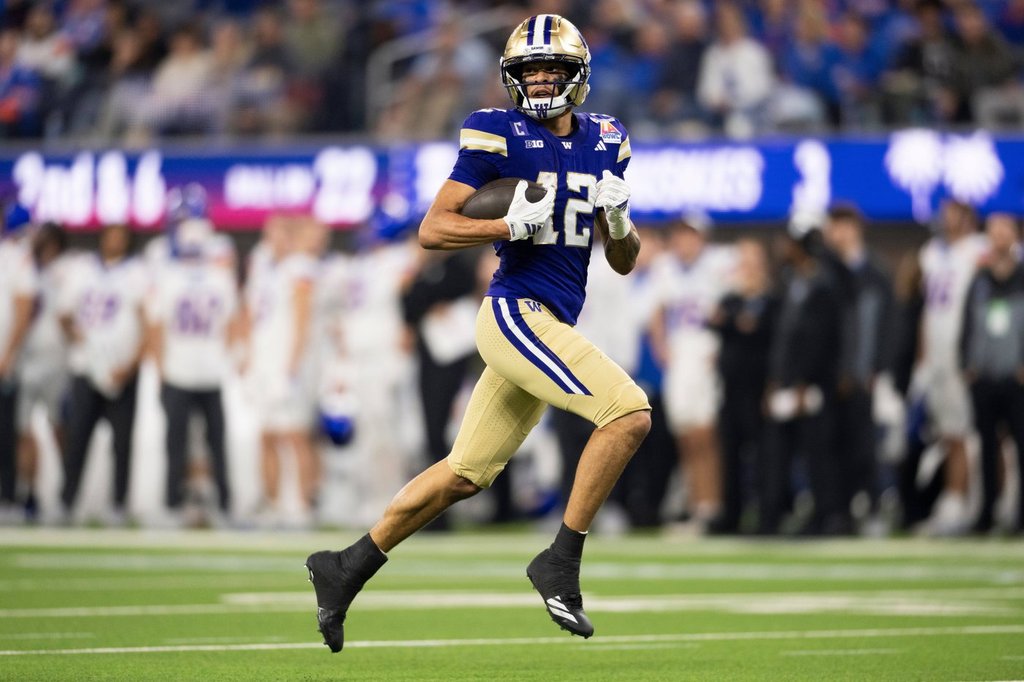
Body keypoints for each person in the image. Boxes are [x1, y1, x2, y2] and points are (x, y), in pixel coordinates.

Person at [305, 14, 651, 652]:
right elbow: (433, 229)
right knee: (627, 414)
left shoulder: (607, 139)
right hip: (516, 312)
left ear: (578, 77)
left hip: (551, 317)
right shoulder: (498, 131)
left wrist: (621, 219)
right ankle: (561, 563)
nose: (541, 80)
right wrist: (505, 227)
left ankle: (346, 566)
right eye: (530, 70)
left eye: (553, 69)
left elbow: (623, 261)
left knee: (465, 473)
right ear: (511, 77)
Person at [58, 223, 146, 525]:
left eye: (121, 237)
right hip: (86, 368)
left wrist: (131, 365)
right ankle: (66, 502)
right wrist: (79, 339)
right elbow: (65, 314)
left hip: (122, 369)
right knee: (77, 438)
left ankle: (118, 505)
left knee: (122, 443)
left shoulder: (138, 272)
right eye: (111, 236)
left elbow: (148, 322)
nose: (115, 242)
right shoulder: (82, 269)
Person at [960, 212, 1024, 533]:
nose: (998, 237)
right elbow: (967, 324)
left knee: (1021, 447)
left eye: (1004, 230)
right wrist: (966, 364)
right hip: (983, 377)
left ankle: (1020, 517)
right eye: (993, 231)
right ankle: (986, 513)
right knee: (985, 449)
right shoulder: (980, 279)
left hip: (1017, 378)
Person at [0, 203, 38, 523]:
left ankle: (9, 498)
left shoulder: (16, 257)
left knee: (7, 432)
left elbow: (23, 311)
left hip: (6, 361)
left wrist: (7, 356)